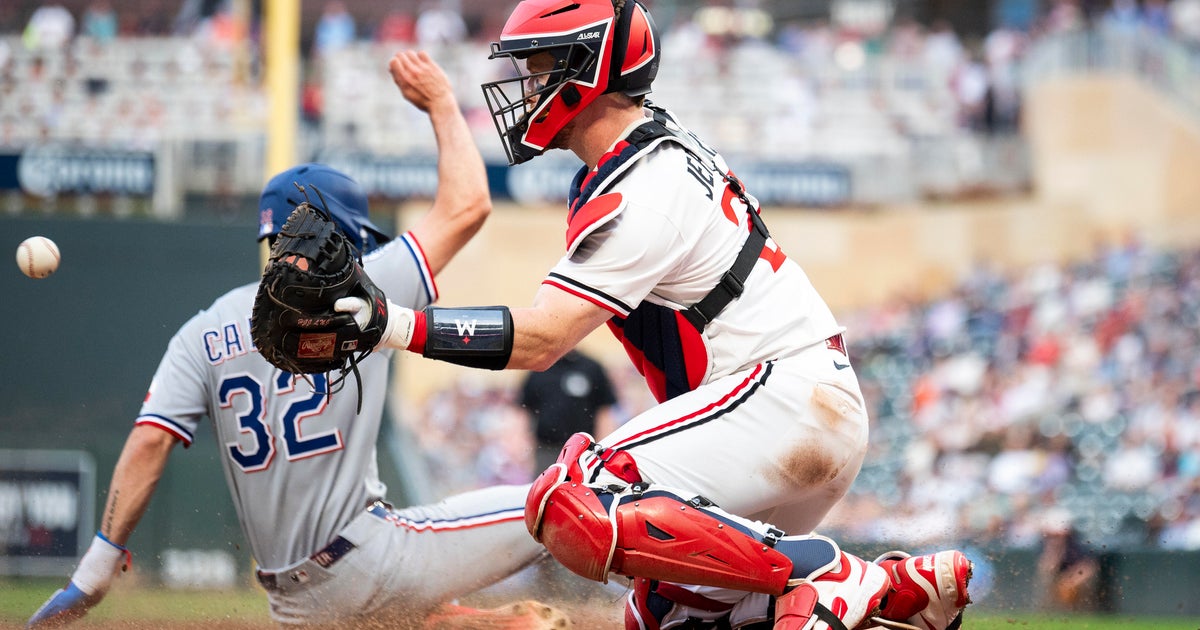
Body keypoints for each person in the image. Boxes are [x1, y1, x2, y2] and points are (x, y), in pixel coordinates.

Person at [339, 2, 973, 629]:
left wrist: (392, 324)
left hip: (780, 401)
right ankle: (892, 599)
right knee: (661, 617)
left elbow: (543, 337)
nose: (525, 86)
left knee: (573, 499)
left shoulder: (642, 185)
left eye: (539, 66)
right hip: (789, 411)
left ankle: (829, 573)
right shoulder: (645, 151)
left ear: (585, 72)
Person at [27, 51, 558, 629]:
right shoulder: (368, 286)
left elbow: (149, 445)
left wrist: (95, 570)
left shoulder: (200, 331)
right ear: (339, 234)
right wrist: (438, 103)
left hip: (293, 605)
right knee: (567, 496)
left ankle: (496, 624)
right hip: (369, 558)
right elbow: (468, 205)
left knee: (407, 609)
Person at [520, 348, 619, 474]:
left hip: (583, 452)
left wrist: (603, 450)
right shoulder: (539, 369)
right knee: (543, 491)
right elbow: (524, 410)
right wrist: (525, 449)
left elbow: (604, 412)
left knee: (583, 491)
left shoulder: (591, 368)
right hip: (546, 451)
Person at [1035, 509, 1101, 612]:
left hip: (1076, 580)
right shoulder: (1044, 544)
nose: (1055, 537)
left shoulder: (1077, 543)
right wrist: (1054, 551)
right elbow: (1047, 569)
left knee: (1069, 589)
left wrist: (1071, 581)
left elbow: (1089, 567)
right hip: (1056, 580)